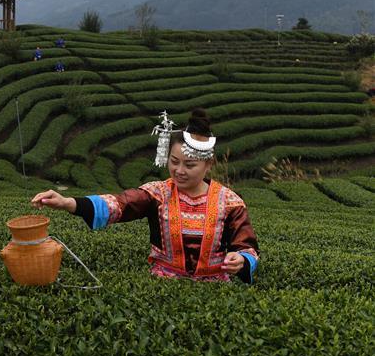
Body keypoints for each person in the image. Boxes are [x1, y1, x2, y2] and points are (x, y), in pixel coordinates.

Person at [30, 109, 260, 284]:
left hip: (215, 287)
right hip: (163, 282)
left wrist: (241, 260)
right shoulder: (158, 193)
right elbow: (120, 204)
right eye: (174, 161)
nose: (179, 171)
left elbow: (246, 246)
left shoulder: (230, 202)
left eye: (189, 165)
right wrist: (68, 203)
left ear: (208, 165)